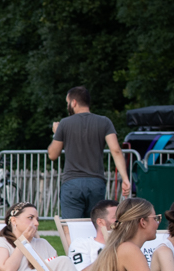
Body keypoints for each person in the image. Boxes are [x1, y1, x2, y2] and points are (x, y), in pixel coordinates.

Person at [49, 86, 129, 220]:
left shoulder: (64, 123)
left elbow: (52, 155)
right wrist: (125, 178)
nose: (67, 105)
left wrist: (56, 133)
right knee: (95, 226)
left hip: (72, 182)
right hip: (96, 182)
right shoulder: (104, 121)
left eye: (67, 102)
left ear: (73, 102)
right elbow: (116, 150)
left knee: (72, 227)